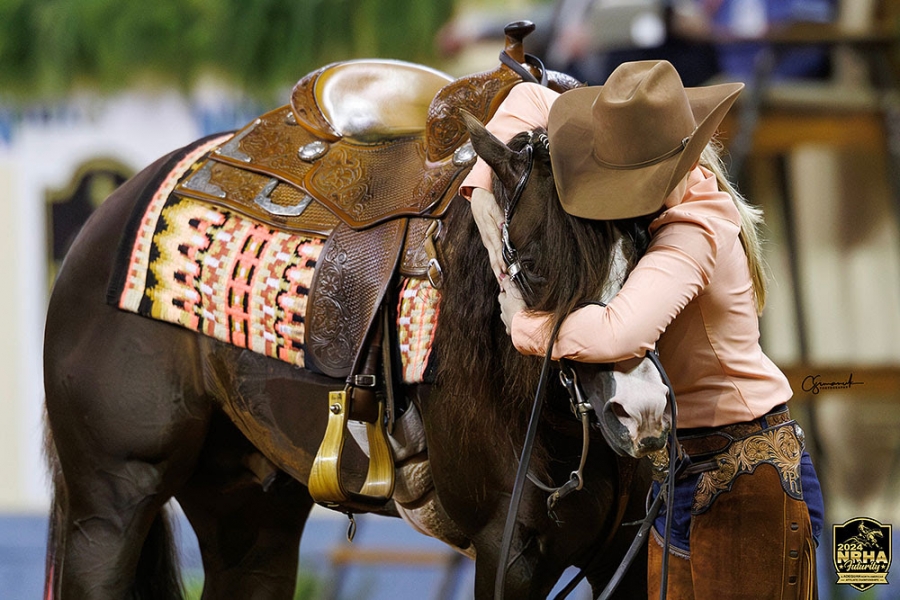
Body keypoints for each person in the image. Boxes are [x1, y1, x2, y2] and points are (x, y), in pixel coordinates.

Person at [458, 61, 824, 598]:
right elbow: (533, 99)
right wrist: (482, 184)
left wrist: (524, 324)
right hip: (682, 472)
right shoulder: (667, 213)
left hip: (747, 477)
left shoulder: (699, 226)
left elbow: (617, 332)